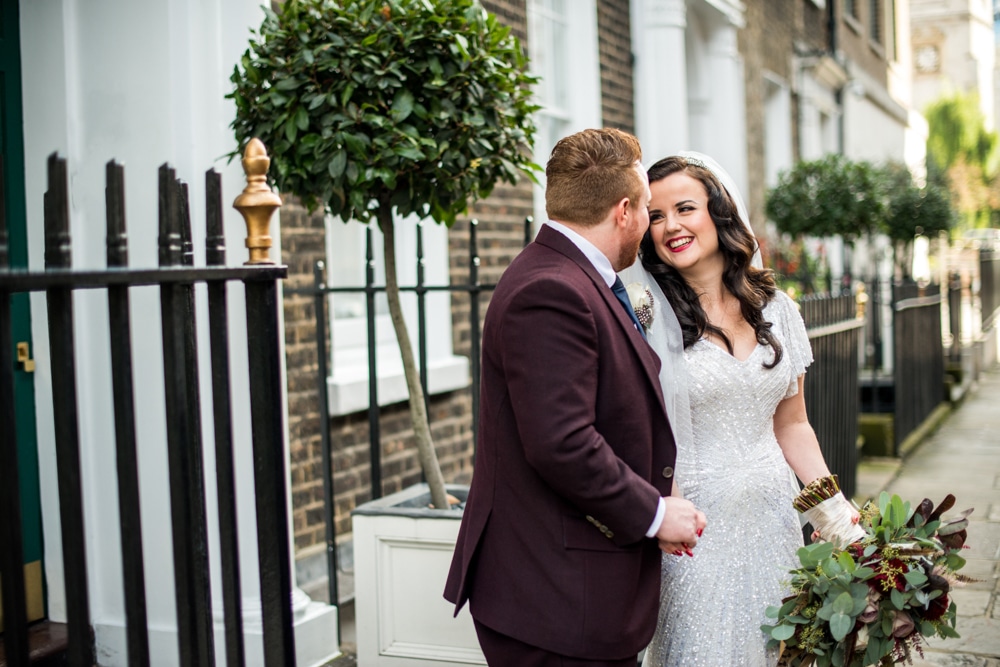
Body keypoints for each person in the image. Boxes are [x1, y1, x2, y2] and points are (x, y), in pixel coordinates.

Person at [444, 128, 707, 667]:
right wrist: (655, 514)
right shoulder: (552, 290)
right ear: (625, 210)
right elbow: (562, 444)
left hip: (570, 594)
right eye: (649, 211)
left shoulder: (572, 276)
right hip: (555, 602)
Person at [618, 152, 856, 667]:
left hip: (774, 516)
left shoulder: (777, 308)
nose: (671, 226)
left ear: (719, 212)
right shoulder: (643, 311)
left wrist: (836, 516)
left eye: (685, 208)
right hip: (695, 525)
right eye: (655, 216)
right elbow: (640, 428)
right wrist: (669, 512)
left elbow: (792, 425)